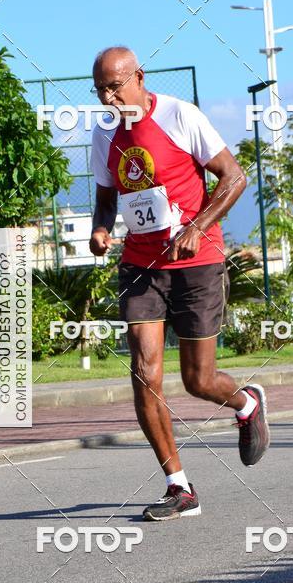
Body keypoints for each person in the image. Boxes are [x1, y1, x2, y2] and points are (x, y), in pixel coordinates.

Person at [89, 47, 270, 521]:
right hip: (142, 265)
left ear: (139, 78)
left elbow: (234, 177)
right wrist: (101, 228)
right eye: (100, 90)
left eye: (115, 87)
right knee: (145, 375)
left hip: (198, 261)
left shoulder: (179, 115)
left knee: (198, 380)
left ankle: (246, 402)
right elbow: (106, 196)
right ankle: (179, 487)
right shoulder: (104, 132)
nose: (108, 98)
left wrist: (197, 226)